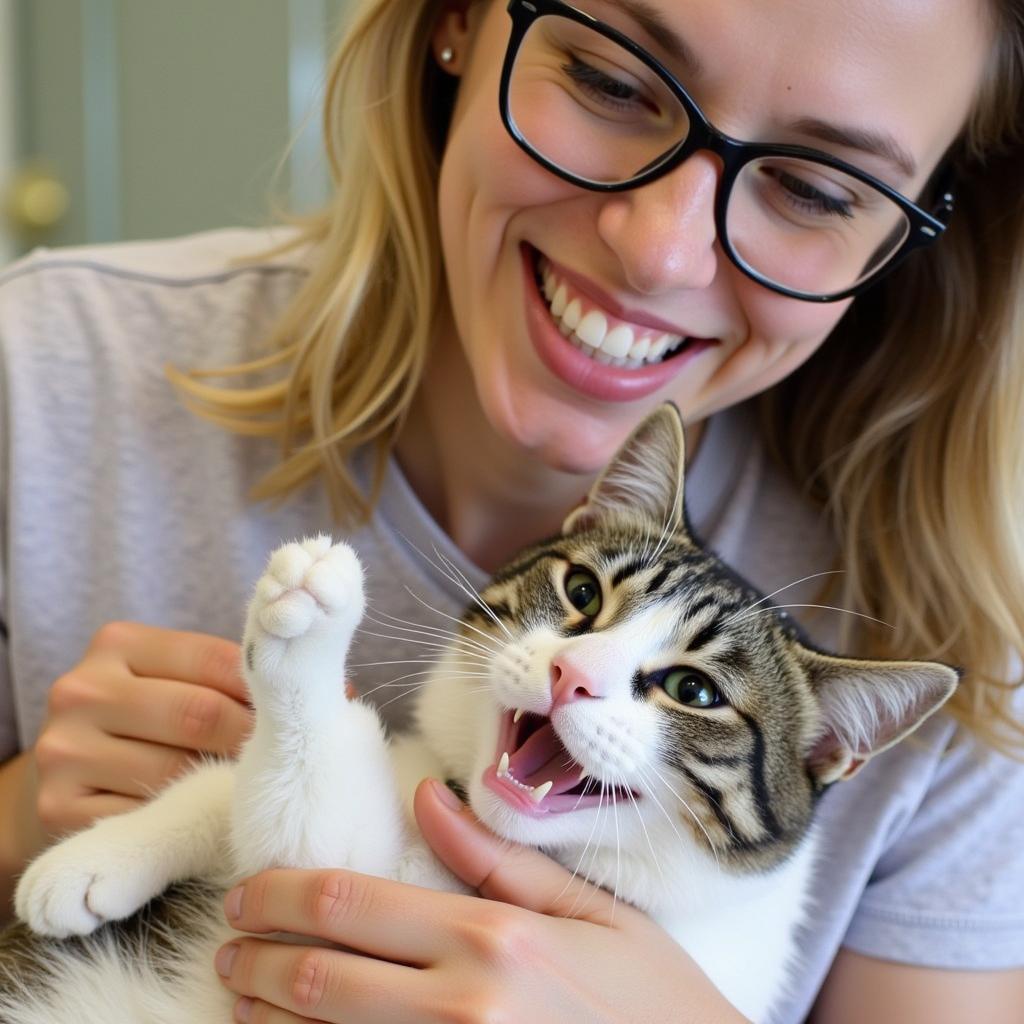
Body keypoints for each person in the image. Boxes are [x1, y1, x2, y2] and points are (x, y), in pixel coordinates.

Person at [1, 0, 1022, 1019]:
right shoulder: (41, 364)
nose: (660, 250)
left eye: (812, 187)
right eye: (611, 82)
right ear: (455, 18)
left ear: (913, 228)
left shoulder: (962, 636)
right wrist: (15, 814)